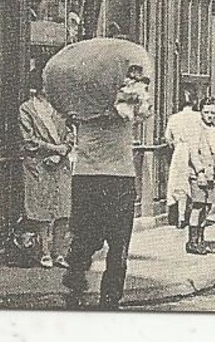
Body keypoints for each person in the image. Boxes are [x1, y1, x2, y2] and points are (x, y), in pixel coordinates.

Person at [63, 65, 152, 309]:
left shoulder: (79, 105)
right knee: (118, 244)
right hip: (118, 178)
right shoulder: (128, 102)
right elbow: (145, 111)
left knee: (86, 236)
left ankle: (76, 271)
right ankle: (110, 300)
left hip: (86, 176)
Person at [17, 73, 73, 269]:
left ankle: (59, 253)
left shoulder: (60, 107)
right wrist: (54, 149)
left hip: (61, 164)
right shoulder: (27, 109)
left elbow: (70, 133)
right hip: (38, 164)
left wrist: (63, 151)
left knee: (63, 209)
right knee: (41, 210)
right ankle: (45, 252)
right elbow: (28, 140)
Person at [185, 98, 215, 255]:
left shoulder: (213, 129)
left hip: (212, 174)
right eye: (206, 112)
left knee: (207, 206)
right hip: (199, 174)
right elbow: (193, 152)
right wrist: (199, 172)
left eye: (212, 113)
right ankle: (192, 241)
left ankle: (201, 238)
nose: (209, 115)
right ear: (200, 111)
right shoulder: (197, 129)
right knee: (198, 206)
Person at [163, 89, 202, 228]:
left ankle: (180, 217)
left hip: (179, 151)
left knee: (179, 184)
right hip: (195, 151)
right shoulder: (198, 117)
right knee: (194, 182)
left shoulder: (173, 118)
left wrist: (175, 143)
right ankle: (193, 216)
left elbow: (168, 138)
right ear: (195, 101)